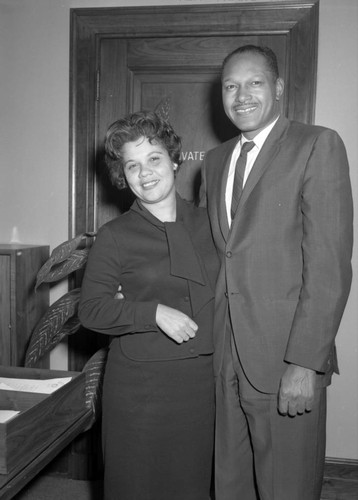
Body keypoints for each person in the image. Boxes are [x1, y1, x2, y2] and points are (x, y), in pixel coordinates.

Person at [199, 45, 353, 500]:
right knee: (231, 487)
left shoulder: (317, 144)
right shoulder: (214, 162)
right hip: (225, 359)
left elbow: (329, 266)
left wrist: (305, 363)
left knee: (286, 488)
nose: (240, 95)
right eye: (230, 85)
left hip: (285, 360)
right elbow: (217, 257)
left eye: (254, 83)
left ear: (279, 88)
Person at [78, 111, 219, 500]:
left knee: (191, 487)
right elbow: (91, 310)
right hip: (139, 390)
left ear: (174, 160)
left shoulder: (213, 224)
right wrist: (151, 313)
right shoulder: (115, 236)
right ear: (123, 176)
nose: (146, 172)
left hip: (200, 385)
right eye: (132, 165)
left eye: (154, 159)